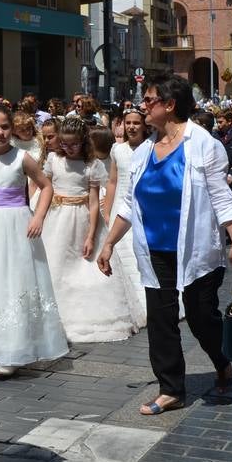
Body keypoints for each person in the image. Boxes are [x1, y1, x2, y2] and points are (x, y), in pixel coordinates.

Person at [97, 73, 232, 416]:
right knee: (161, 319)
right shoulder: (144, 151)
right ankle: (171, 389)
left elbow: (223, 198)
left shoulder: (203, 144)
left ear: (170, 105)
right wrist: (107, 245)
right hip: (153, 250)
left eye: (149, 100)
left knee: (200, 318)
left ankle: (220, 360)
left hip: (195, 250)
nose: (143, 106)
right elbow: (129, 205)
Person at [0, 102, 68, 377]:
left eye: (4, 127)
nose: (0, 133)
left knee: (14, 280)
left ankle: (12, 349)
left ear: (11, 129)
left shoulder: (21, 157)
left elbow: (47, 186)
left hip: (15, 224)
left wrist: (38, 216)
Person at [39, 116, 140, 342]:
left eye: (73, 144)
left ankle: (87, 317)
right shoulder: (54, 160)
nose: (68, 148)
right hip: (57, 218)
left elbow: (93, 202)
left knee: (83, 267)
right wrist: (39, 217)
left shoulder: (91, 165)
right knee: (54, 265)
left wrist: (92, 234)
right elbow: (45, 191)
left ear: (83, 141)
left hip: (82, 218)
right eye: (64, 144)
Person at [102, 106, 150, 329]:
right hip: (119, 207)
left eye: (136, 123)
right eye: (127, 123)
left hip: (143, 208)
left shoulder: (151, 148)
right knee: (119, 254)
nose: (131, 127)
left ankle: (146, 302)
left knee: (140, 254)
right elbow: (113, 181)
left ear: (143, 125)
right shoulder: (117, 150)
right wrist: (107, 210)